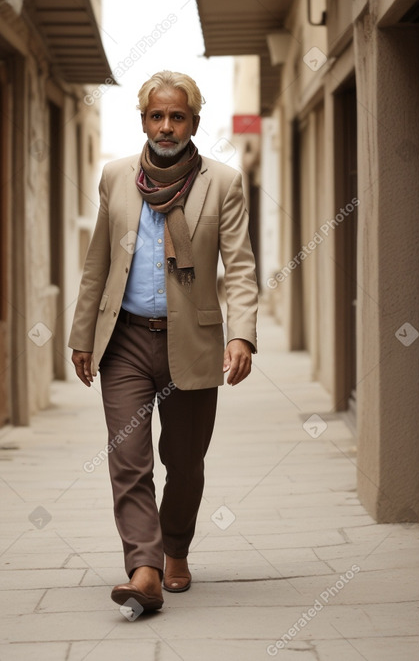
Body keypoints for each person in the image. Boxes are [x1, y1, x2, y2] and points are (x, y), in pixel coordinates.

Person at [69, 70, 258, 612]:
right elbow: (97, 264)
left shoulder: (222, 182)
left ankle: (176, 547)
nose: (166, 126)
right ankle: (145, 568)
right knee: (129, 458)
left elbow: (240, 267)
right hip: (125, 340)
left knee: (185, 458)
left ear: (194, 122)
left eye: (178, 116)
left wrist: (241, 333)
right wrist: (83, 335)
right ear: (144, 119)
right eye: (157, 115)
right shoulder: (116, 177)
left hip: (192, 345)